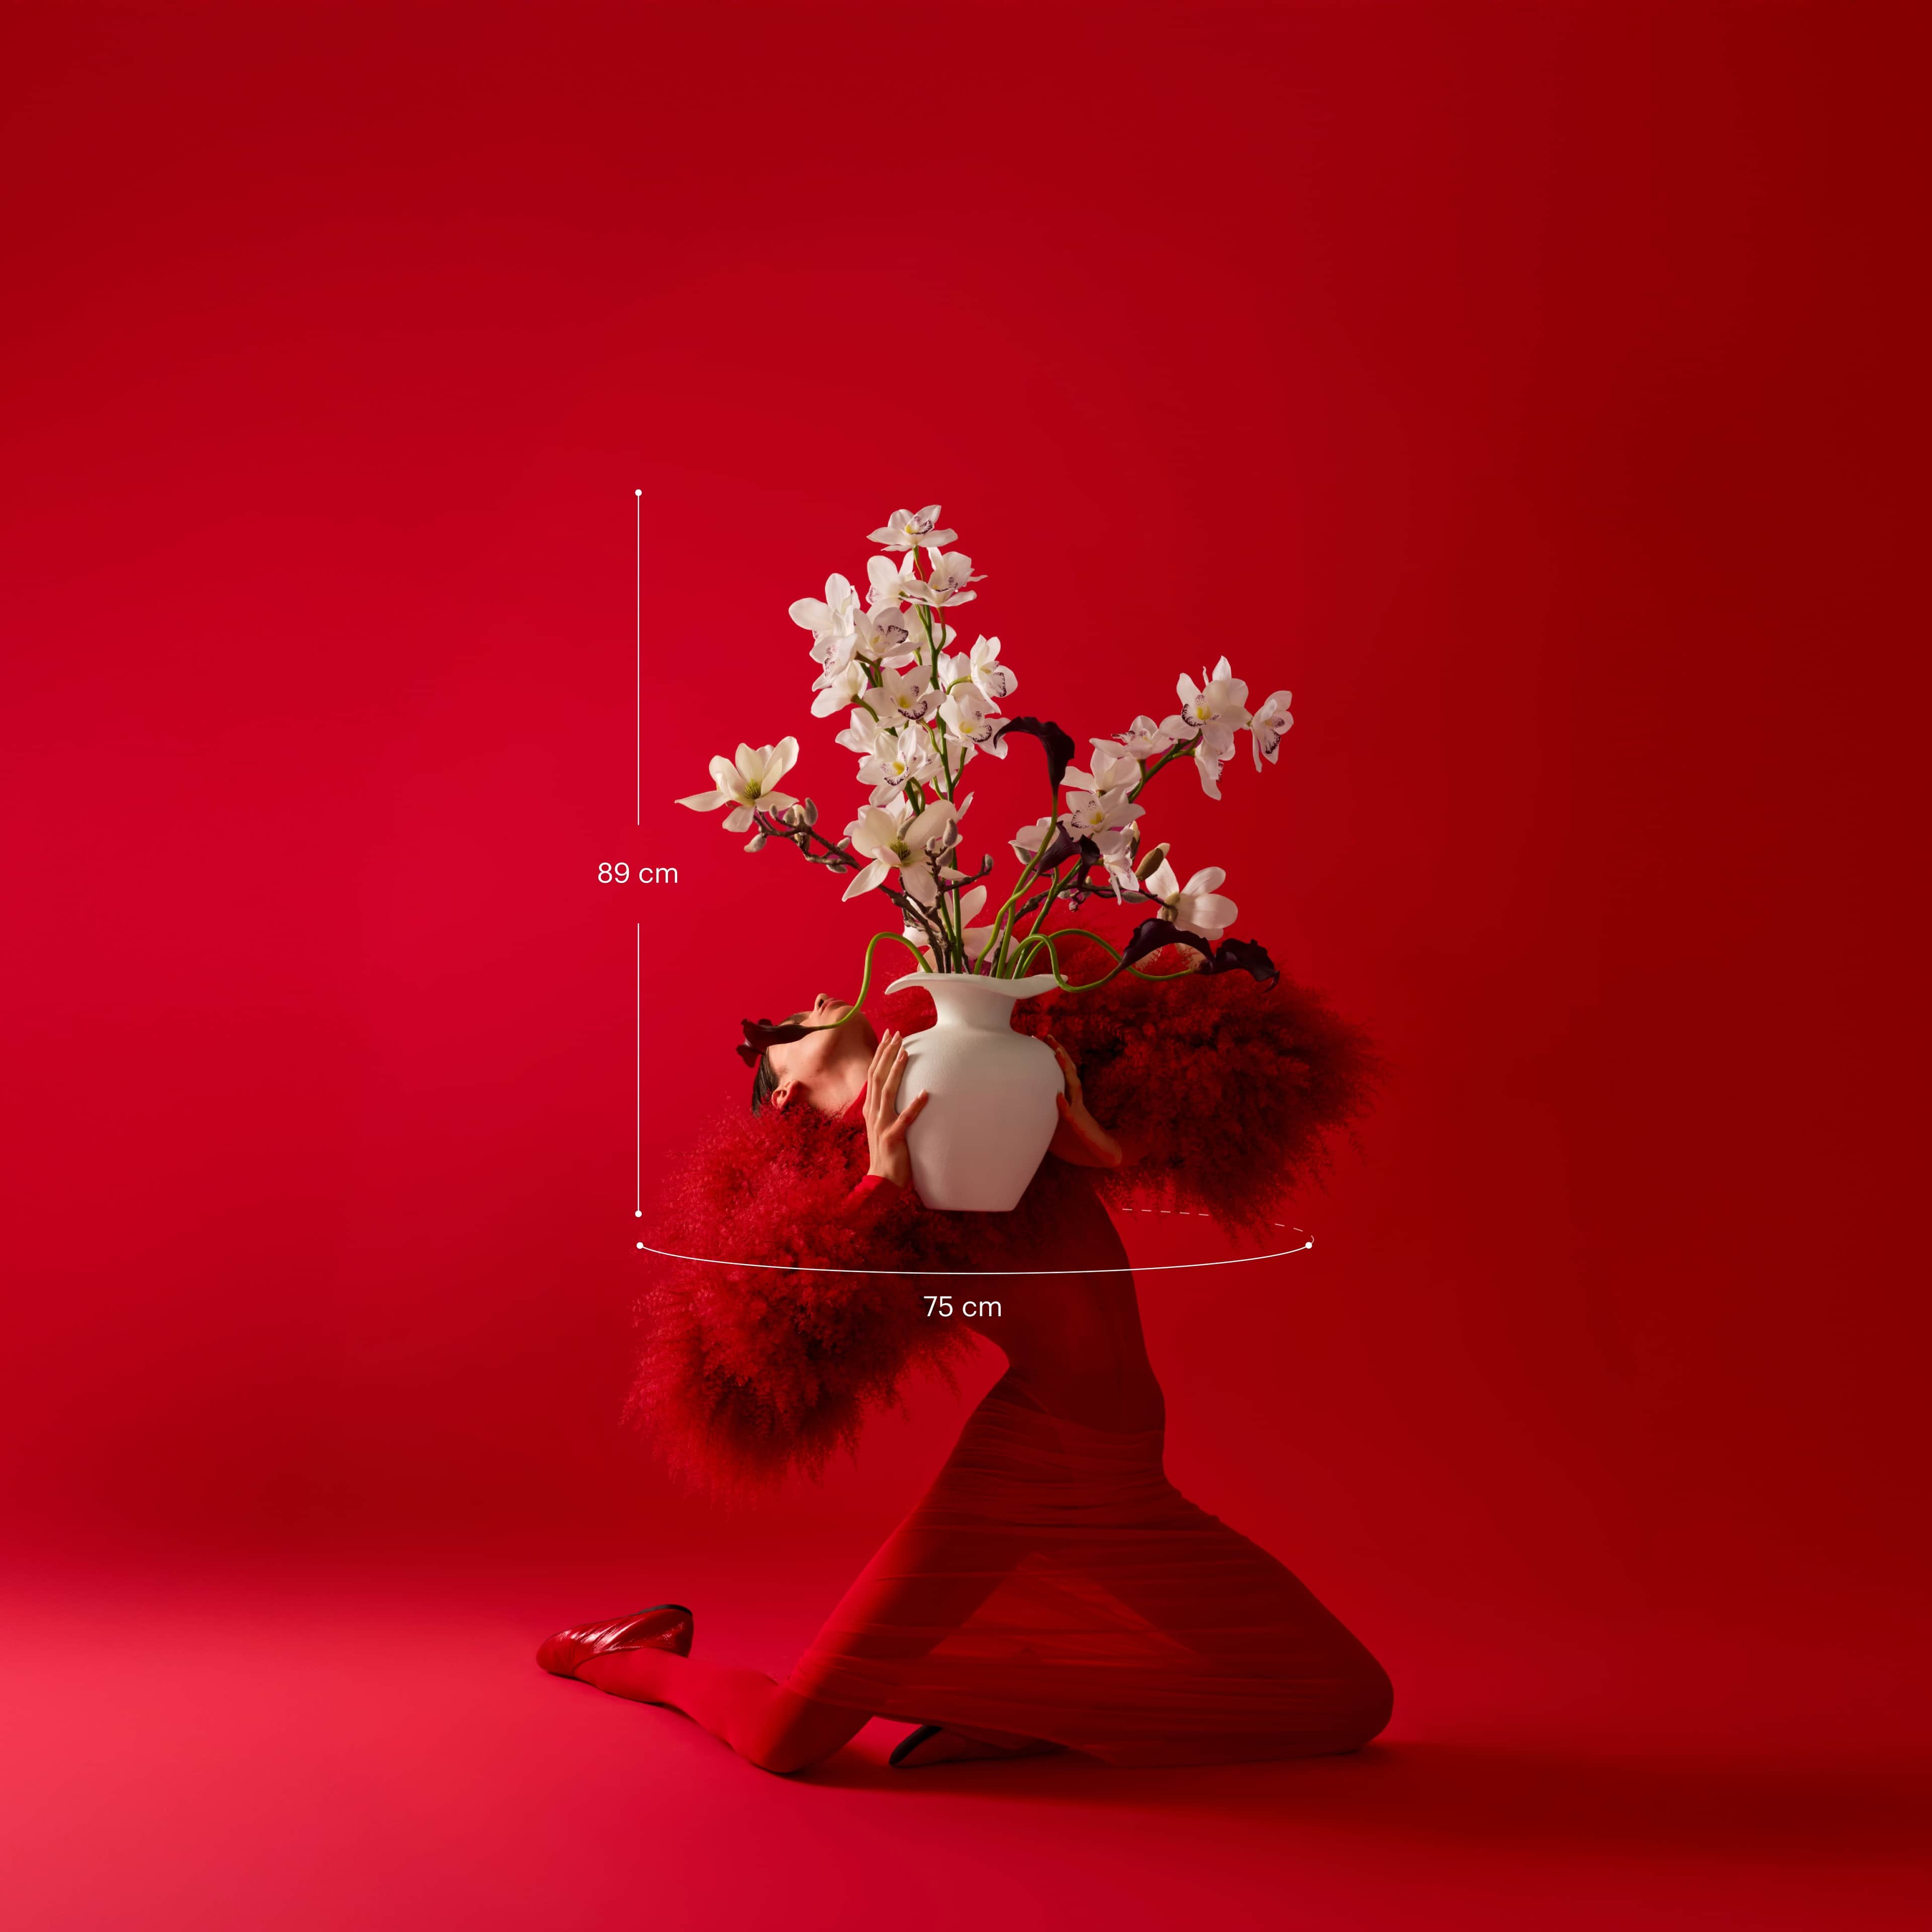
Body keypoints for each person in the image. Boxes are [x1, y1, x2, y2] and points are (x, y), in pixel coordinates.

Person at [538, 992, 1393, 1774]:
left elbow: (1191, 1107)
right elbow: (771, 1345)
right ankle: (620, 1653)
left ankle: (1018, 1712)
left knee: (1349, 1703)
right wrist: (878, 1186)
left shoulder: (987, 1072)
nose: (812, 1003)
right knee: (786, 1738)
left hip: (1128, 1474)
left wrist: (1111, 1146)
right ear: (787, 1096)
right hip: (1030, 1462)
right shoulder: (842, 1205)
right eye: (783, 1033)